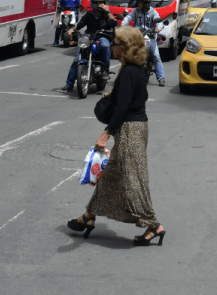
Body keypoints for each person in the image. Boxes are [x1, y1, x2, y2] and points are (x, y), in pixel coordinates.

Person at [67, 26, 165, 246]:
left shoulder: (129, 72)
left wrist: (106, 133)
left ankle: (153, 225)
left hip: (131, 130)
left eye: (117, 44)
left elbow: (121, 108)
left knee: (133, 181)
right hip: (137, 128)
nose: (113, 47)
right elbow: (143, 96)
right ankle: (89, 217)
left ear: (126, 47)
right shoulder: (137, 69)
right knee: (111, 176)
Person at [64, 0, 117, 92]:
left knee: (105, 46)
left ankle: (105, 70)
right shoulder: (89, 14)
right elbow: (79, 25)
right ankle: (69, 85)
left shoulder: (106, 15)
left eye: (102, 3)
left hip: (102, 37)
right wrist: (72, 30)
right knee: (76, 60)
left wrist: (108, 11)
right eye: (99, 3)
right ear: (94, 4)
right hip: (89, 38)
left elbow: (114, 23)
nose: (102, 5)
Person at [122, 0, 166, 86]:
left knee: (156, 56)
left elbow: (159, 22)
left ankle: (161, 78)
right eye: (138, 2)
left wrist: (158, 28)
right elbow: (128, 18)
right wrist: (122, 26)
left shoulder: (153, 12)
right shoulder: (136, 11)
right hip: (138, 36)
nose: (139, 4)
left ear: (146, 3)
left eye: (141, 2)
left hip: (150, 36)